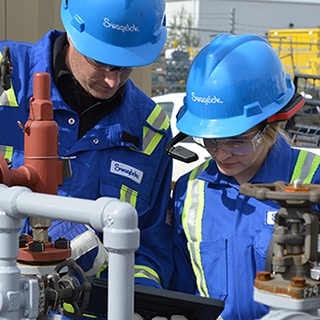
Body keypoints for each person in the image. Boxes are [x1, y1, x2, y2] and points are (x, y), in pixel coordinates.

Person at [0, 0, 173, 319]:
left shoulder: (150, 130)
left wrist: (135, 303)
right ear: (73, 31)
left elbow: (151, 248)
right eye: (101, 62)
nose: (112, 81)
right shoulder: (8, 78)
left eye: (124, 66)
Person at [168, 33, 320, 320]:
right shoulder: (191, 191)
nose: (222, 154)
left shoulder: (312, 180)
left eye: (237, 141)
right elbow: (183, 289)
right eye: (211, 141)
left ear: (272, 124)